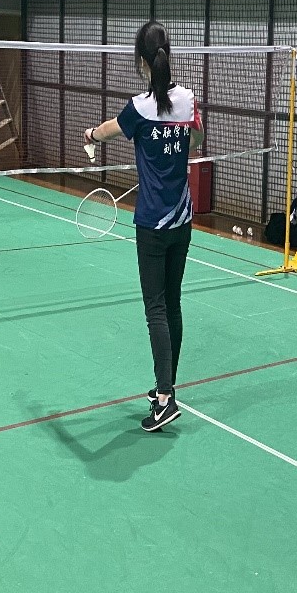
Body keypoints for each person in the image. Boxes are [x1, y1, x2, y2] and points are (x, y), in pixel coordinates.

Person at [83, 21, 203, 432]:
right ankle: (166, 385)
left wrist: (90, 134)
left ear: (141, 63)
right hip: (182, 221)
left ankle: (165, 398)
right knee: (173, 303)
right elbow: (197, 140)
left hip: (152, 224)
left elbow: (107, 131)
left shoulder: (138, 108)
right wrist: (174, 148)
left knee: (156, 309)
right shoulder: (187, 100)